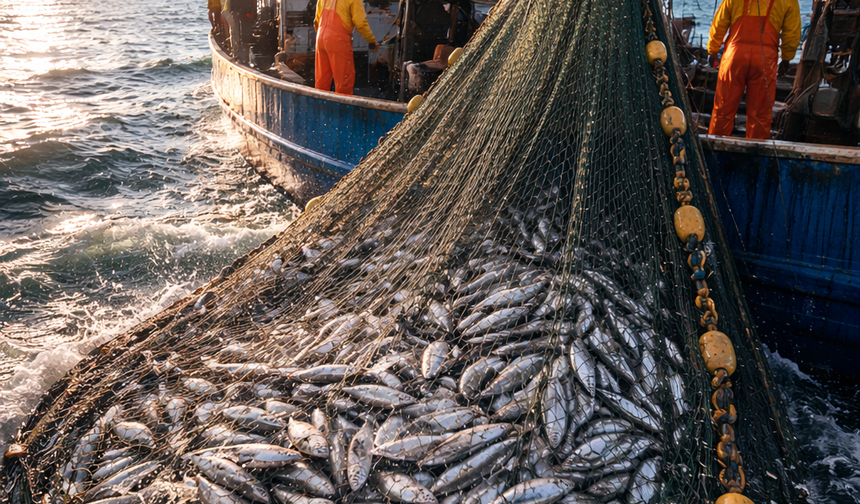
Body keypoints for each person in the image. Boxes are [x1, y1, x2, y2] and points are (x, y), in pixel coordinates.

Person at [707, 0, 801, 139]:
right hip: (764, 62)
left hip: (734, 58)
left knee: (723, 109)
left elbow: (720, 23)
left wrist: (713, 50)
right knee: (760, 114)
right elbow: (792, 32)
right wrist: (786, 58)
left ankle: (714, 148)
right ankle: (756, 151)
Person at [314, 0, 378, 95]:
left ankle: (319, 106)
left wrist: (325, 37)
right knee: (344, 81)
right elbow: (360, 24)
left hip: (320, 39)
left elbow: (316, 21)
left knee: (322, 81)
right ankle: (342, 108)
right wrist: (371, 41)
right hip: (338, 39)